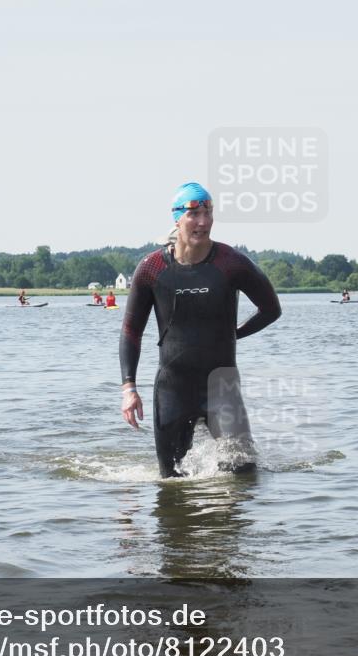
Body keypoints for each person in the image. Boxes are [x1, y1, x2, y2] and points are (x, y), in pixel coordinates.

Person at [119, 181, 281, 478]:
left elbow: (271, 309)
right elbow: (131, 331)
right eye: (194, 214)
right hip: (172, 389)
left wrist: (234, 333)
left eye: (208, 213)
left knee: (244, 475)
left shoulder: (231, 263)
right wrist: (129, 388)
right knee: (171, 481)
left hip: (223, 389)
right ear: (176, 218)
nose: (203, 222)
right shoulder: (152, 268)